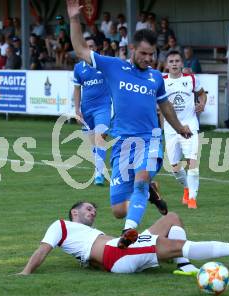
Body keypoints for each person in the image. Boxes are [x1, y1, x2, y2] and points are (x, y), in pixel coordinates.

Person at [67, 0, 193, 249]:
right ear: (132, 49)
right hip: (123, 143)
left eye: (152, 54)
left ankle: (129, 232)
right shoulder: (114, 67)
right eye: (144, 53)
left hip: (149, 138)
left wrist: (179, 127)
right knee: (118, 209)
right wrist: (74, 19)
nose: (149, 58)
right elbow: (81, 50)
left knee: (141, 178)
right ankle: (149, 194)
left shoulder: (156, 77)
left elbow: (165, 105)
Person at [17, 201, 229, 275]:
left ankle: (183, 265)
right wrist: (26, 272)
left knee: (172, 217)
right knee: (179, 245)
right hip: (117, 253)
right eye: (88, 209)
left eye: (94, 210)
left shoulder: (85, 233)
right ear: (73, 212)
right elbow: (43, 250)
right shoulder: (60, 226)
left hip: (121, 247)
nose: (93, 212)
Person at [163, 51, 207, 209]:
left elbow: (202, 94)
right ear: (166, 64)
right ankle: (187, 188)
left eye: (177, 61)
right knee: (174, 167)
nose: (174, 64)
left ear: (182, 63)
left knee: (192, 163)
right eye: (171, 61)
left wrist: (202, 103)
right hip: (170, 128)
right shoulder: (162, 81)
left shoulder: (191, 79)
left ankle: (192, 199)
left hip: (190, 125)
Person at [73, 37, 112, 186]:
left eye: (92, 46)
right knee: (92, 144)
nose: (90, 49)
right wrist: (77, 110)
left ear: (96, 49)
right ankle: (99, 169)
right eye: (87, 47)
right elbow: (77, 90)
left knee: (100, 137)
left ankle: (99, 175)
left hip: (103, 108)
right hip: (86, 110)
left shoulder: (104, 65)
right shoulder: (78, 68)